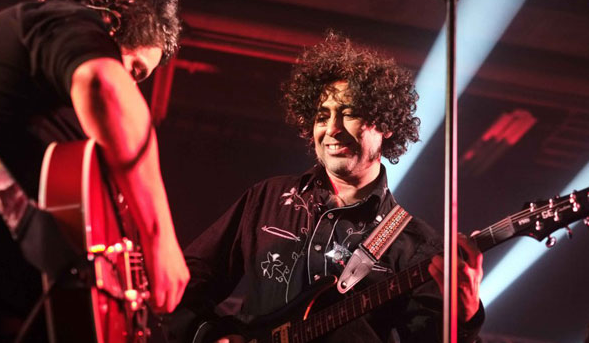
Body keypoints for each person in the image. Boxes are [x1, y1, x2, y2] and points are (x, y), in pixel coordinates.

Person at [167, 32, 484, 342]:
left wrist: (467, 318)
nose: (332, 129)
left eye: (350, 115)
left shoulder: (417, 246)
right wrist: (210, 335)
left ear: (386, 125)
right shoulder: (267, 198)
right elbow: (182, 283)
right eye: (322, 116)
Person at [0, 0, 189, 341]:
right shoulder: (60, 19)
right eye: (135, 71)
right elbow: (104, 85)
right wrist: (159, 239)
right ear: (114, 21)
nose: (132, 89)